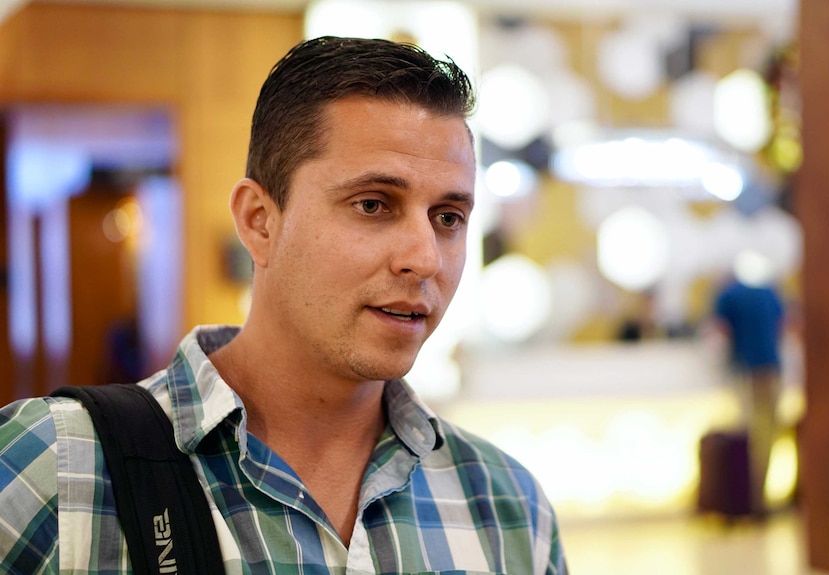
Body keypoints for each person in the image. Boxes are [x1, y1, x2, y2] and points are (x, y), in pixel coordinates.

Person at [0, 36, 568, 574]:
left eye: (448, 217)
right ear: (259, 221)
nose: (424, 258)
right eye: (373, 205)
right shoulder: (55, 469)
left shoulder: (507, 507)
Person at [713, 255, 785, 516]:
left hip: (747, 371)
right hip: (771, 368)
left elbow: (719, 332)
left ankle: (750, 500)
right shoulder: (770, 293)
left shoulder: (727, 296)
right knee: (767, 435)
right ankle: (760, 498)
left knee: (752, 436)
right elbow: (783, 325)